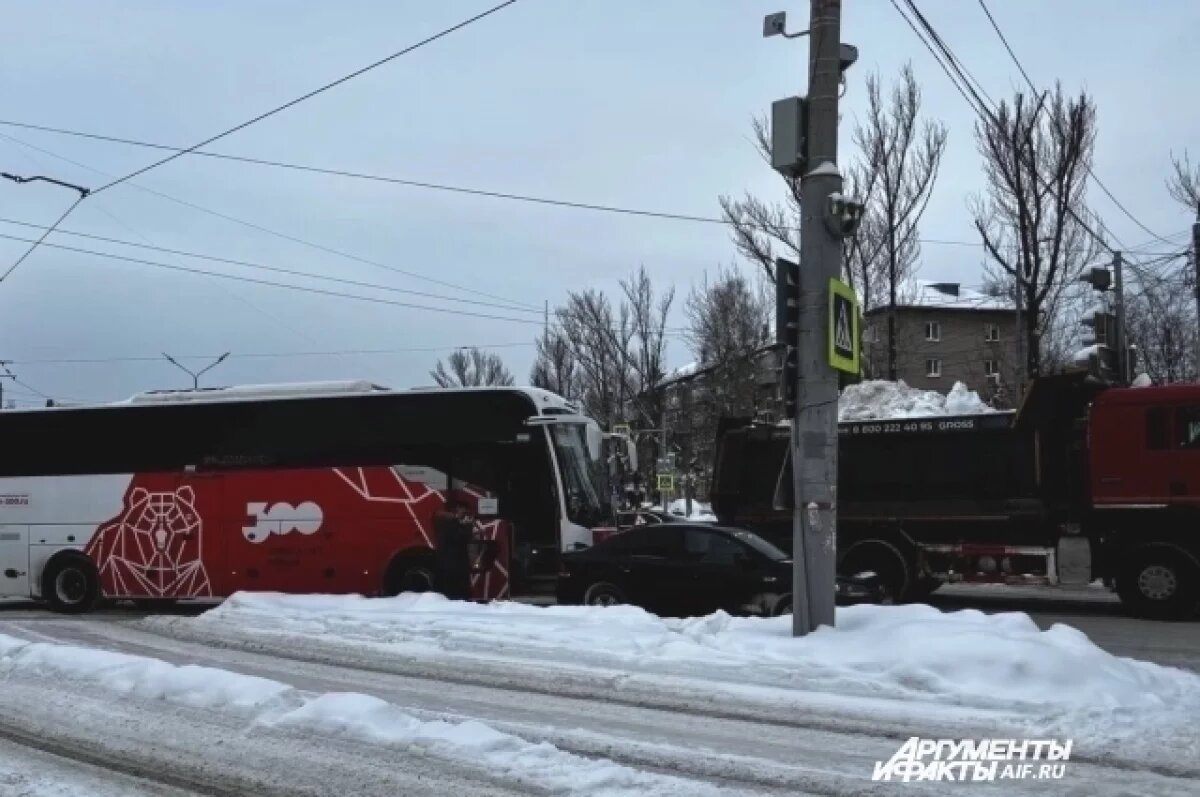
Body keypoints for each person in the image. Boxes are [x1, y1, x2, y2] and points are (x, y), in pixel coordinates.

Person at [433, 496, 474, 601]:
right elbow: (458, 538)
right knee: (457, 589)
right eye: (463, 509)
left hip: (450, 560)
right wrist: (465, 526)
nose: (465, 512)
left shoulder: (444, 520)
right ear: (457, 508)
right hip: (454, 561)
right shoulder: (449, 522)